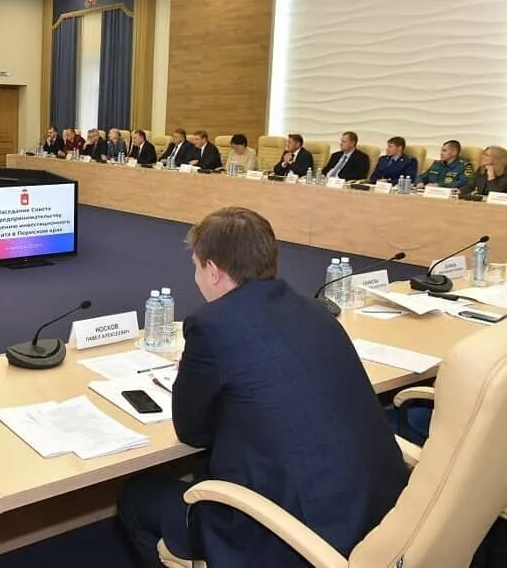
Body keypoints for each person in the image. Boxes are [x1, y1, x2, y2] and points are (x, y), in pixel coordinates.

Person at [118, 207, 407, 567]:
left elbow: (192, 432)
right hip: (380, 516)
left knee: (137, 497)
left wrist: (194, 378)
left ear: (213, 270)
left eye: (196, 267)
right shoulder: (316, 310)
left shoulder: (210, 325)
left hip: (290, 538)